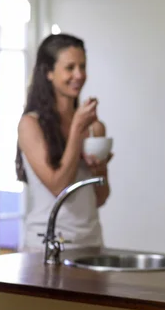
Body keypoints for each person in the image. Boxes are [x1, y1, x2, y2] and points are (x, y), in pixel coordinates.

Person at [15, 33, 112, 252]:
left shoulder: (95, 127)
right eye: (70, 68)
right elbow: (58, 187)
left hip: (91, 243)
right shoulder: (31, 125)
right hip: (46, 245)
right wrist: (77, 129)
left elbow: (100, 197)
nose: (79, 75)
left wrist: (102, 169)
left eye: (83, 66)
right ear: (49, 72)